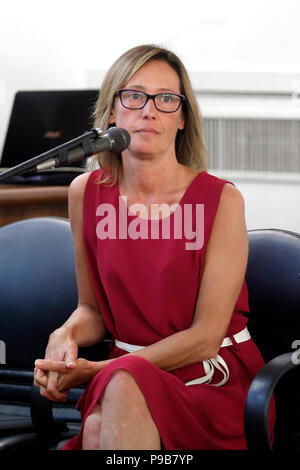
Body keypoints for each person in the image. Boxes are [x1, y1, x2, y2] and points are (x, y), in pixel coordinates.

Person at [33, 44, 275, 450]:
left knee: (118, 391)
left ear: (182, 118)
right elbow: (92, 309)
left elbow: (205, 338)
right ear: (112, 111)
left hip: (210, 380)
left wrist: (100, 370)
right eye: (135, 95)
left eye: (166, 99)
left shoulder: (222, 200)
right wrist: (66, 334)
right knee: (102, 418)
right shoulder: (84, 193)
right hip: (122, 372)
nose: (150, 111)